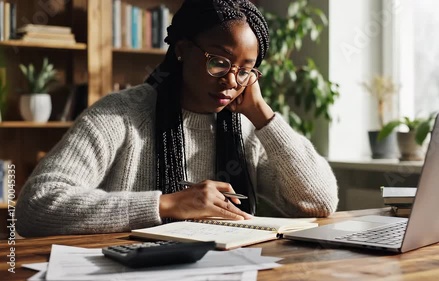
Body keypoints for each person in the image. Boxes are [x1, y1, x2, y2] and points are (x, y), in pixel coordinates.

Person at [16, 0, 338, 237]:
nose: (230, 81)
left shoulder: (245, 126)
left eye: (244, 71)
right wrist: (167, 205)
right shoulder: (120, 115)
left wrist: (263, 115)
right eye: (219, 63)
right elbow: (36, 206)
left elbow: (320, 201)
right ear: (182, 49)